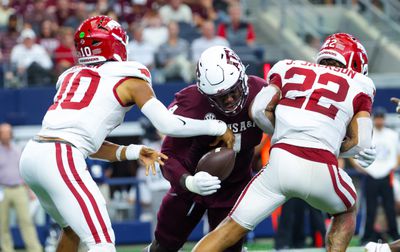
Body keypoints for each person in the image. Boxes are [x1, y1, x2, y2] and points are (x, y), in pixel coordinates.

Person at [19, 15, 234, 252]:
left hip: (33, 155)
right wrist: (217, 127)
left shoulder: (70, 76)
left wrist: (133, 151)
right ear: (115, 44)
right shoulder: (130, 78)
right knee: (101, 242)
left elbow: (84, 142)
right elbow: (168, 125)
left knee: (72, 231)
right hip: (60, 156)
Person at [192, 33, 377, 252]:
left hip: (279, 163)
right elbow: (361, 143)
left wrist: (284, 133)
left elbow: (258, 110)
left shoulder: (287, 67)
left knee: (228, 227)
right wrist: (335, 146)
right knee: (346, 210)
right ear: (355, 63)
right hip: (322, 166)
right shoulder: (361, 83)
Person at [144, 45, 266, 252]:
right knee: (163, 248)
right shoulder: (191, 103)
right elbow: (168, 157)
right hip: (189, 188)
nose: (228, 100)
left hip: (234, 187)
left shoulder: (261, 92)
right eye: (220, 97)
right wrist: (188, 181)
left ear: (242, 79)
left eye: (232, 91)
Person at [357, 108, 400, 244]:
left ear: (384, 119)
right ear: (373, 119)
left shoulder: (392, 135)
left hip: (387, 175)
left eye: (381, 118)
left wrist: (394, 166)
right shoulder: (367, 134)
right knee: (370, 208)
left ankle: (395, 235)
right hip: (371, 175)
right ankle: (366, 237)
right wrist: (361, 168)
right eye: (377, 118)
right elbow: (354, 153)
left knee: (390, 208)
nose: (379, 120)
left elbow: (398, 153)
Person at [0, 123, 43, 252]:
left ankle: (35, 249)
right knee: (2, 224)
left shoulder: (17, 149)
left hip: (19, 189)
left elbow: (23, 171)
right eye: (3, 132)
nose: (6, 135)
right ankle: (7, 249)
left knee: (26, 221)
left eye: (8, 132)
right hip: (2, 190)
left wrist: (30, 190)